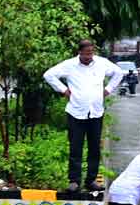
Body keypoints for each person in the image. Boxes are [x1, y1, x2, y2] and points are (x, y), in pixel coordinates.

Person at [44, 40, 125, 191]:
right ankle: (74, 181)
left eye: (91, 53)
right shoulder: (69, 65)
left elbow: (118, 73)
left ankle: (91, 181)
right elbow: (48, 75)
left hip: (96, 112)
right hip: (76, 113)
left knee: (94, 148)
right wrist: (63, 90)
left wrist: (108, 89)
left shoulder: (101, 63)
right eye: (86, 53)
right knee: (76, 148)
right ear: (79, 52)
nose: (89, 56)